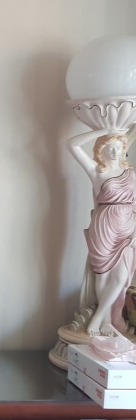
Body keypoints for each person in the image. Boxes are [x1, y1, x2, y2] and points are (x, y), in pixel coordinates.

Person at [68, 125, 136, 337]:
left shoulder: (131, 174)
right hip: (103, 226)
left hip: (127, 225)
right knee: (103, 275)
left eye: (119, 147)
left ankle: (97, 319)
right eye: (109, 147)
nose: (115, 152)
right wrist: (103, 131)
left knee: (122, 276)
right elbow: (72, 144)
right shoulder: (96, 172)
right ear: (100, 150)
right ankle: (105, 321)